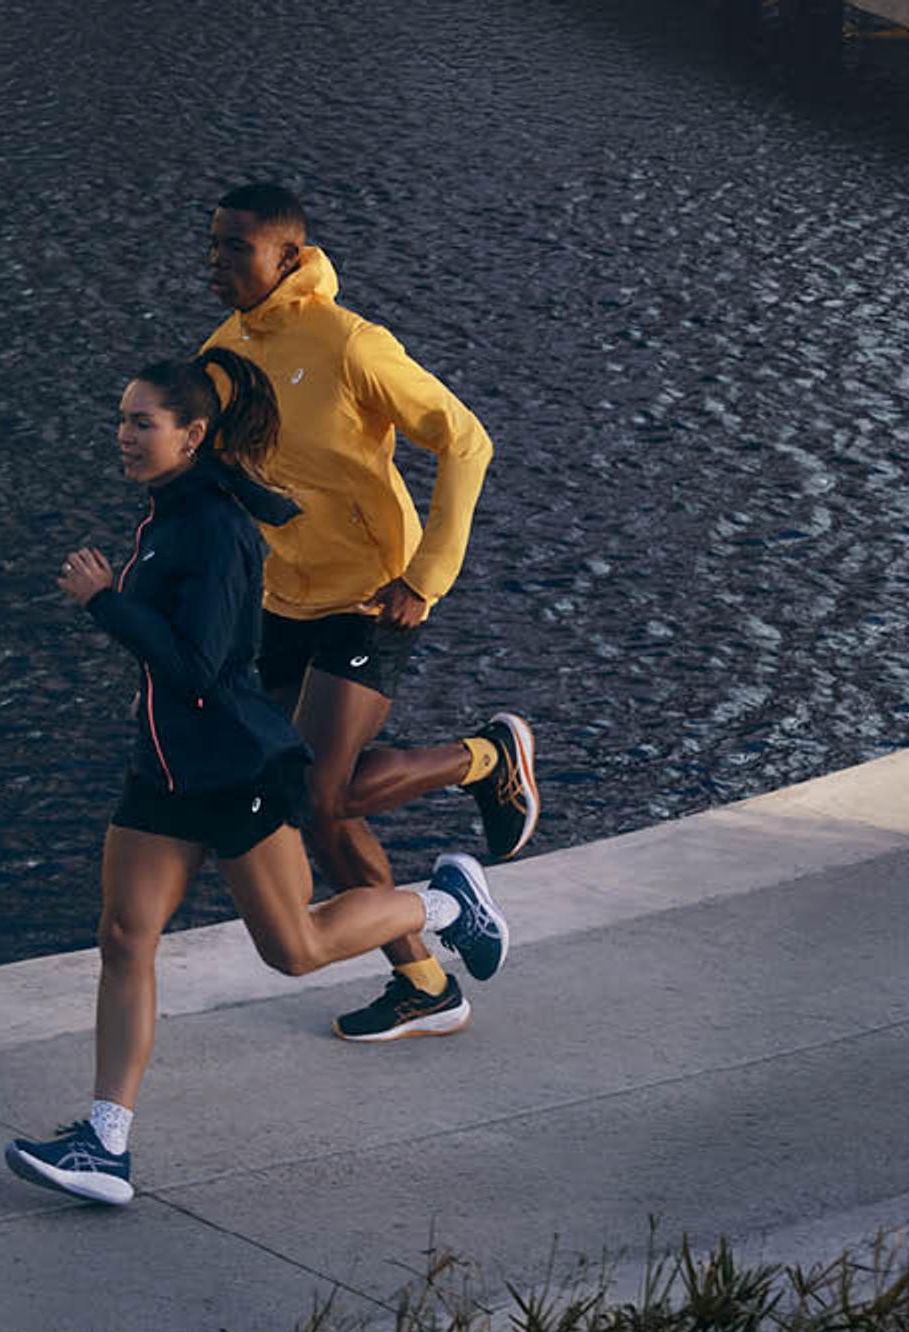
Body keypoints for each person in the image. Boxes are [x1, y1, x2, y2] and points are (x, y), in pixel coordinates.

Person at [2, 348, 509, 1206]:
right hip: (163, 771)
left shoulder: (213, 529)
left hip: (235, 766)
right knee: (124, 936)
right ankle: (106, 1145)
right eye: (122, 419)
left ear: (192, 435)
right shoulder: (168, 514)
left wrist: (105, 603)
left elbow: (200, 668)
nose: (124, 435)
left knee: (296, 948)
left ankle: (447, 905)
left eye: (143, 423)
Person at [201, 182, 538, 1044]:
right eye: (213, 243)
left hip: (372, 593)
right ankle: (426, 984)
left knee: (323, 790)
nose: (216, 260)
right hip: (284, 598)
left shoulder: (350, 342)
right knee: (307, 802)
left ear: (288, 256)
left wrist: (427, 576)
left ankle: (486, 757)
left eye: (236, 246)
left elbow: (465, 438)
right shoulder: (221, 353)